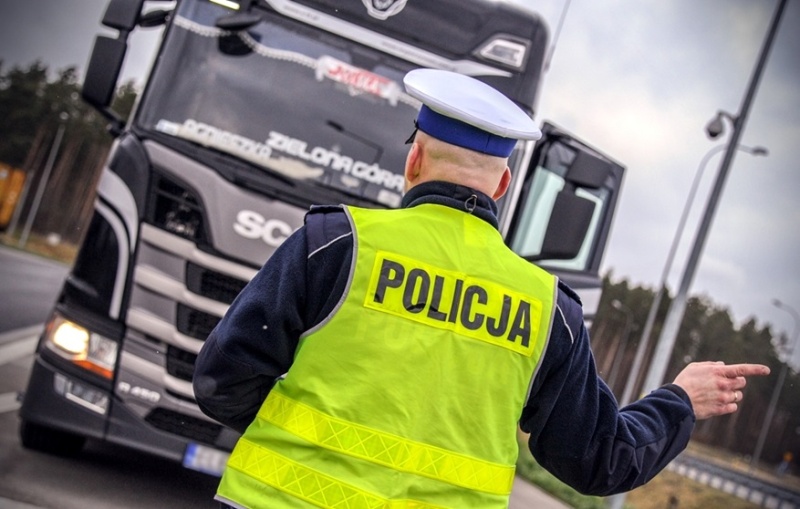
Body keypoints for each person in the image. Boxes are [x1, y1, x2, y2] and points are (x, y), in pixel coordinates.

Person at [193, 68, 770, 508]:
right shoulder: (548, 310)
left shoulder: (336, 244)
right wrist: (679, 400)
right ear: (503, 184)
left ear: (414, 160)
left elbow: (223, 379)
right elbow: (598, 460)